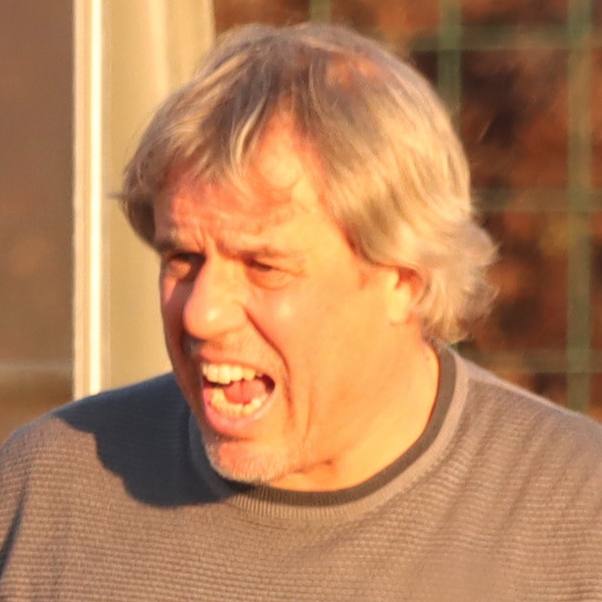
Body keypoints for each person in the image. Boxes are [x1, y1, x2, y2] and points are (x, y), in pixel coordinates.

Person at [1, 23, 602, 601]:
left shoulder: (575, 519)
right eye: (182, 258)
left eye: (264, 266)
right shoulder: (42, 496)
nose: (201, 315)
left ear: (404, 278)